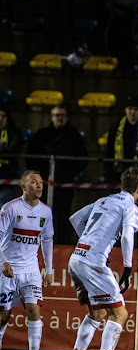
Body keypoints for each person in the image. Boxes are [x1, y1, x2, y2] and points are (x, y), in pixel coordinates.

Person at [62, 167, 138, 350]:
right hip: (93, 262)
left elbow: (75, 218)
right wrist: (128, 268)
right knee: (120, 314)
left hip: (77, 258)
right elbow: (128, 235)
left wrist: (90, 242)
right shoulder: (131, 207)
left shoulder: (104, 200)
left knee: (97, 314)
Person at [0, 171, 53, 350]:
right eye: (34, 182)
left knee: (34, 310)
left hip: (31, 270)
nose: (39, 186)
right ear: (23, 186)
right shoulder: (10, 209)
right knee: (4, 317)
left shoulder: (46, 212)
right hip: (8, 270)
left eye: (41, 182)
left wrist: (48, 269)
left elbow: (47, 240)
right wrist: (3, 262)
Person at [26, 104, 87, 245]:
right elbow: (31, 157)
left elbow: (82, 158)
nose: (59, 118)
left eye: (63, 115)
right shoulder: (41, 135)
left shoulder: (74, 136)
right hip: (43, 184)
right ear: (51, 117)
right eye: (56, 115)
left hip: (64, 184)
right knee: (40, 215)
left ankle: (61, 244)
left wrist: (70, 172)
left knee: (62, 216)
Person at [104, 95, 138, 183]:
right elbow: (109, 151)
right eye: (130, 109)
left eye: (135, 109)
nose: (132, 112)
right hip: (119, 174)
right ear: (125, 110)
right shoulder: (116, 128)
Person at [0, 106, 23, 205]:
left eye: (3, 116)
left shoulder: (14, 133)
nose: (0, 119)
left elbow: (14, 151)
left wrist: (2, 150)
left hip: (7, 174)